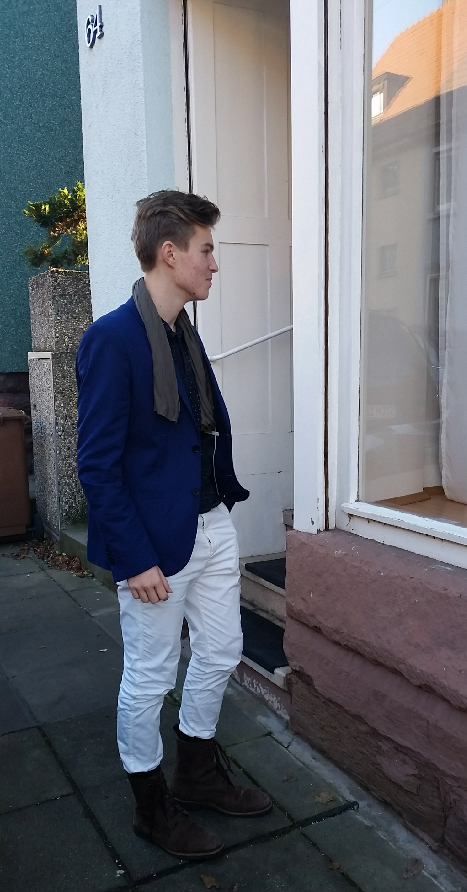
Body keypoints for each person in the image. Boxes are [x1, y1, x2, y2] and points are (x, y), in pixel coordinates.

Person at [76, 190, 271, 860]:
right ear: (170, 253)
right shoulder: (112, 340)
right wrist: (133, 558)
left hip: (210, 523)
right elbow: (97, 465)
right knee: (151, 675)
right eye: (206, 250)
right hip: (155, 545)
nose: (214, 263)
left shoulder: (183, 332)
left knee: (221, 652)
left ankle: (197, 772)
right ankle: (151, 807)